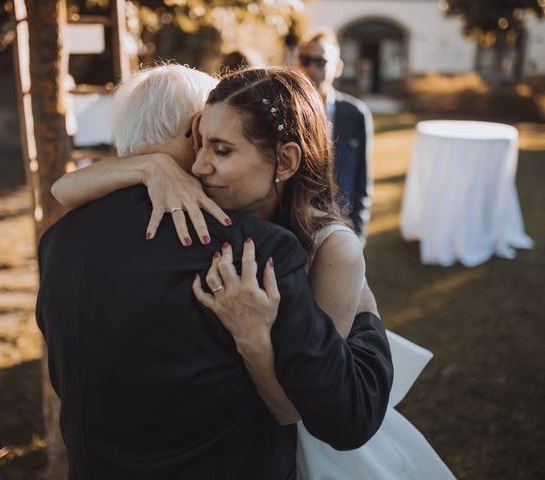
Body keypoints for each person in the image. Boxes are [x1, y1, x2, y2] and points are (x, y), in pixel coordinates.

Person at [52, 65, 454, 479]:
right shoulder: (221, 212)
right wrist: (153, 166)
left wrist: (254, 338)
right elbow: (62, 191)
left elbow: (296, 409)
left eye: (220, 150)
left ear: (284, 161)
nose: (199, 166)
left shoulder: (325, 250)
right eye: (199, 142)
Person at [297, 28, 373, 242]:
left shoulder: (356, 114)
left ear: (338, 67)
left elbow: (362, 181)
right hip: (296, 223)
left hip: (341, 224)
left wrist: (358, 233)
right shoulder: (286, 110)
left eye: (321, 62)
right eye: (306, 60)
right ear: (297, 63)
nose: (312, 68)